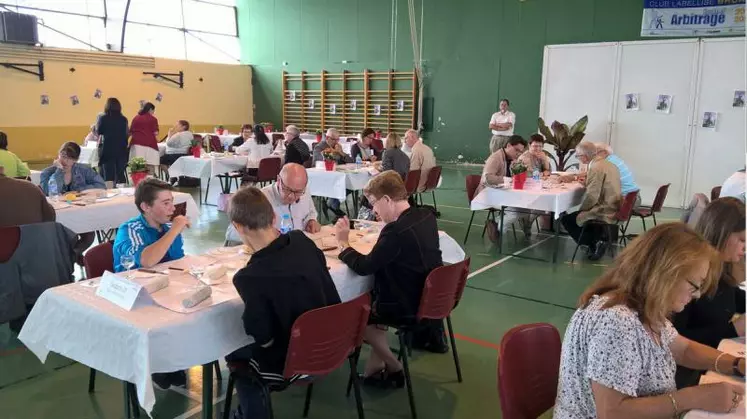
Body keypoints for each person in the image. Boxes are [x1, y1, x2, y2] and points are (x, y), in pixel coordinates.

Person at [553, 223, 746, 419]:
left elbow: (683, 349)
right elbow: (612, 413)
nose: (696, 294)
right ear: (665, 273)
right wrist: (692, 397)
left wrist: (737, 364)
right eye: (694, 284)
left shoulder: (645, 308)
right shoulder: (616, 321)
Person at [225, 187, 341, 419]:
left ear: (238, 228)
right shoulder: (302, 241)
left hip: (295, 360)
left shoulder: (249, 277)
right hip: (334, 342)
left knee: (234, 351)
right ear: (274, 216)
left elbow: (263, 337)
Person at [334, 171, 443, 386]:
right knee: (375, 301)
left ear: (386, 200)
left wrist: (343, 243)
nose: (374, 210)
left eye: (374, 203)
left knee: (357, 317)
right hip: (429, 297)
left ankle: (394, 366)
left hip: (406, 304)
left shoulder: (395, 232)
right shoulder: (425, 216)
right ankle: (375, 371)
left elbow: (365, 267)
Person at [673, 198, 746, 388]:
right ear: (722, 234)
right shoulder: (692, 275)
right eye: (741, 240)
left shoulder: (719, 270)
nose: (744, 248)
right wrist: (733, 330)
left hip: (707, 360)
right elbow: (675, 340)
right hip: (685, 371)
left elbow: (732, 297)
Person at [225, 163, 321, 246]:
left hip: (297, 247)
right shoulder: (260, 198)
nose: (292, 196)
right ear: (278, 180)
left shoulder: (304, 192)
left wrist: (311, 220)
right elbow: (232, 234)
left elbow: (311, 212)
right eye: (287, 189)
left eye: (298, 192)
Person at [560, 141, 621, 261]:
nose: (578, 158)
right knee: (578, 215)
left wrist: (582, 210)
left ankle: (592, 244)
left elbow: (592, 196)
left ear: (585, 156)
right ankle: (595, 240)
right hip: (614, 204)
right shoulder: (609, 164)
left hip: (604, 209)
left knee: (567, 219)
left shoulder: (595, 167)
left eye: (578, 156)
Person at [312, 128, 353, 218]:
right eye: (334, 139)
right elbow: (318, 161)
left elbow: (351, 161)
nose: (336, 142)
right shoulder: (319, 147)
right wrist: (333, 153)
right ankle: (332, 205)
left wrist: (341, 152)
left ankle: (331, 203)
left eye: (337, 139)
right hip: (323, 177)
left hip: (337, 175)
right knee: (342, 183)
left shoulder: (337, 147)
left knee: (351, 184)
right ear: (327, 138)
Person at [40, 142, 106, 196]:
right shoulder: (46, 173)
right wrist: (59, 171)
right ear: (58, 154)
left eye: (70, 158)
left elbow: (101, 185)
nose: (65, 161)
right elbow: (48, 193)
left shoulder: (84, 170)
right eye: (63, 156)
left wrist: (79, 191)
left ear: (76, 160)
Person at [595, 142, 641, 208]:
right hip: (633, 197)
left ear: (604, 152)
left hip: (627, 201)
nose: (593, 156)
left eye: (595, 153)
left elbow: (598, 184)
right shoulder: (613, 159)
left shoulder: (608, 163)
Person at [96, 97, 129, 184]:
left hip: (108, 148)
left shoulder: (103, 118)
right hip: (121, 148)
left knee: (108, 174)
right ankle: (123, 193)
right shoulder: (123, 119)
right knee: (120, 173)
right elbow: (126, 134)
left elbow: (99, 131)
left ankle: (110, 193)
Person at [129, 102, 160, 170]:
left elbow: (130, 131)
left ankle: (138, 180)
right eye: (153, 111)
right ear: (150, 110)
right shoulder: (153, 119)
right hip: (150, 145)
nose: (153, 112)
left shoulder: (136, 118)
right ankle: (150, 179)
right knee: (150, 165)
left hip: (136, 145)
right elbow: (156, 133)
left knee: (137, 166)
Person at [405, 129, 437, 193]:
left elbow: (413, 172)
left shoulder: (416, 150)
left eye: (406, 138)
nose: (405, 141)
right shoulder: (427, 148)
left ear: (412, 137)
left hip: (420, 185)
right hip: (430, 183)